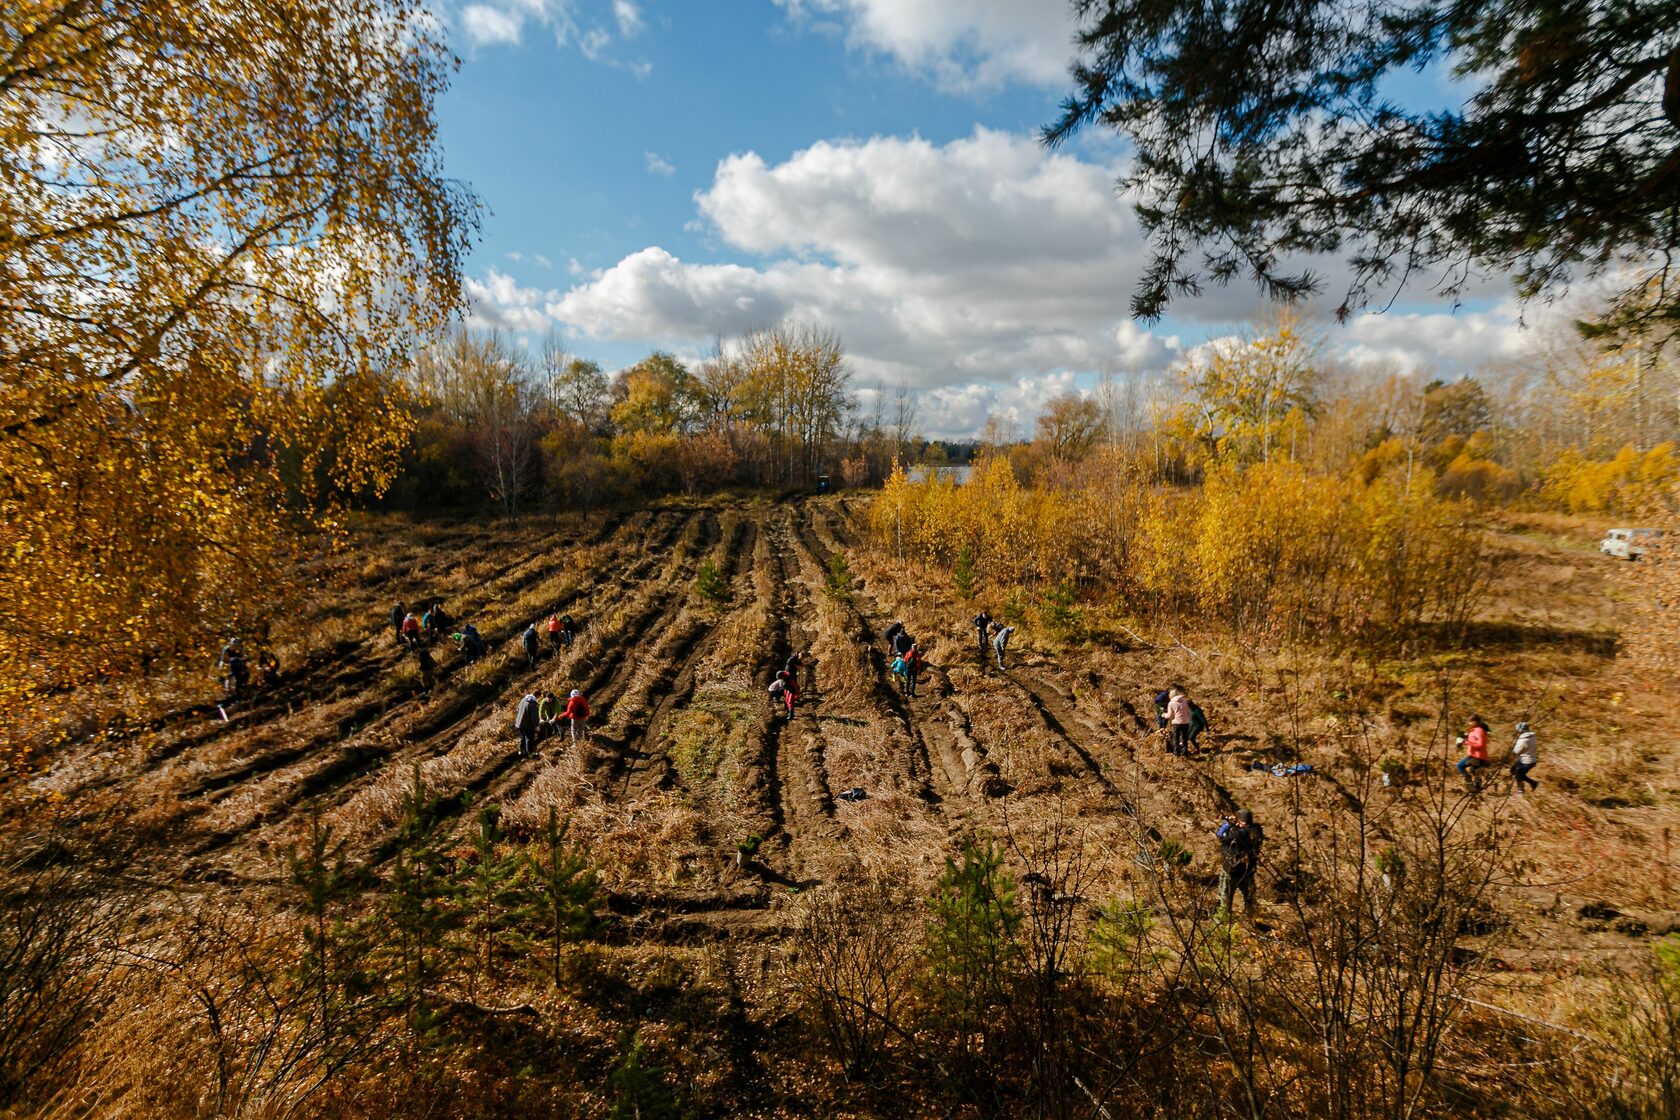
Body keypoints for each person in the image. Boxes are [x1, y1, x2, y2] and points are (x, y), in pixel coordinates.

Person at [1215, 809, 1264, 918]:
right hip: (1248, 871)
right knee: (1249, 898)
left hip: (1232, 871)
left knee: (1226, 898)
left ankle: (1224, 920)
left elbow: (1219, 835)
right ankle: (1252, 919)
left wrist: (1227, 824)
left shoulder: (1235, 833)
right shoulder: (1256, 830)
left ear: (1242, 822)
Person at [1457, 715, 1491, 789]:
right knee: (1475, 772)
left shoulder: (1479, 730)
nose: (1468, 723)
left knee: (1460, 766)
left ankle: (1469, 782)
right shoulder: (1474, 730)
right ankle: (1476, 788)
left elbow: (1480, 744)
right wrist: (1465, 737)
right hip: (1476, 755)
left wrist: (1468, 743)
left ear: (1475, 722)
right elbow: (1473, 739)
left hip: (1477, 756)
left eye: (1470, 721)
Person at [1510, 721, 1540, 794]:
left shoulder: (1523, 739)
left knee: (1518, 774)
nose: (1516, 732)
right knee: (1514, 770)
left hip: (1526, 761)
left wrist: (1512, 748)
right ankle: (1523, 788)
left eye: (1517, 731)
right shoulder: (1533, 736)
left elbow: (1516, 751)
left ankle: (1531, 785)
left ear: (1521, 731)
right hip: (1530, 759)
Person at [514, 691, 541, 759]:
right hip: (527, 725)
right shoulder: (533, 703)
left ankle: (521, 751)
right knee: (529, 739)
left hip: (519, 723)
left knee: (522, 737)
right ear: (537, 696)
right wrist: (536, 725)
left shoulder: (523, 700)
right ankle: (530, 753)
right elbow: (534, 716)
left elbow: (517, 710)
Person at [1166, 689, 1192, 756]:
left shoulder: (1171, 703)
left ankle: (1176, 752)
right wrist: (1189, 719)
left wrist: (1163, 714)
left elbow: (1169, 715)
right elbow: (1189, 712)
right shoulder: (1184, 702)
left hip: (1176, 722)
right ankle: (1185, 752)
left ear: (1171, 696)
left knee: (1176, 737)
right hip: (1186, 722)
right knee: (1184, 737)